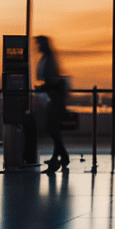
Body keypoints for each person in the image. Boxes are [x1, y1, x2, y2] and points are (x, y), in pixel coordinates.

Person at [35, 35, 69, 173]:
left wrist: (42, 88)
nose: (37, 47)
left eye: (39, 44)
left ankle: (60, 159)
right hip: (55, 98)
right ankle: (60, 158)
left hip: (55, 99)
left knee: (52, 129)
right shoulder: (48, 58)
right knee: (54, 130)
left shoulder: (49, 59)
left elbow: (52, 81)